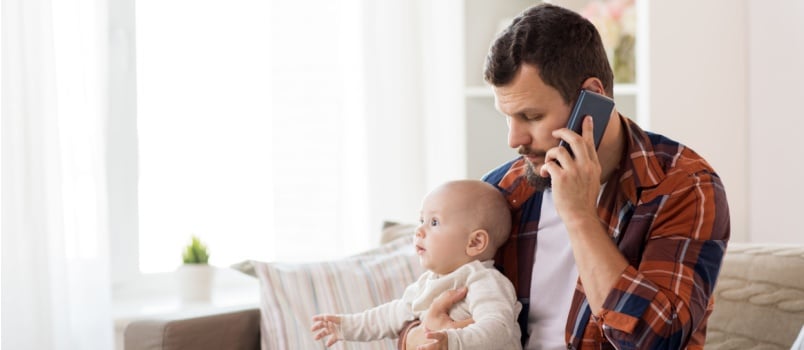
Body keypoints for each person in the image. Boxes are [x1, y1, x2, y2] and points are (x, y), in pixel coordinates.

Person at [404, 3, 731, 350]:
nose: (514, 140)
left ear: (592, 97)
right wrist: (420, 336)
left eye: (531, 116)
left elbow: (654, 340)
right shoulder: (502, 190)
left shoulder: (683, 186)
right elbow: (418, 307)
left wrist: (579, 217)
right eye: (508, 117)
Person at [311, 180, 523, 350]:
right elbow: (392, 314)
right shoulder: (429, 282)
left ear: (475, 242)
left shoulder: (483, 280)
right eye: (421, 220)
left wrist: (451, 341)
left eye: (434, 222)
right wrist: (347, 326)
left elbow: (499, 327)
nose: (419, 231)